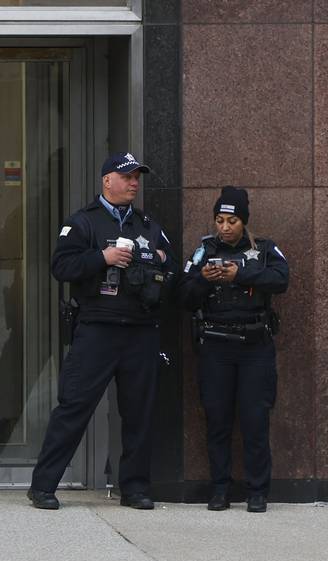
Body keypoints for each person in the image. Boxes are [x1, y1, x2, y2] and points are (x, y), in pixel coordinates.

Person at [27, 152, 175, 510]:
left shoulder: (147, 225)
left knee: (138, 412)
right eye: (127, 177)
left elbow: (170, 269)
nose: (134, 183)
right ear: (107, 180)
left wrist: (160, 260)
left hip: (140, 329)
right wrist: (103, 259)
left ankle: (135, 488)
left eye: (137, 177)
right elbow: (61, 266)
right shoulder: (83, 223)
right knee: (74, 406)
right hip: (97, 328)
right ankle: (43, 485)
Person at [178, 187, 289, 513]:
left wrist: (241, 274)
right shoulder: (203, 250)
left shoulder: (264, 249)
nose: (225, 227)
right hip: (215, 346)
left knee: (255, 420)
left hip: (255, 347)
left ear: (244, 222)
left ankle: (257, 491)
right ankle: (220, 489)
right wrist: (204, 280)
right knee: (218, 420)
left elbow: (282, 279)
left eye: (232, 221)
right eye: (220, 220)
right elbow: (181, 295)